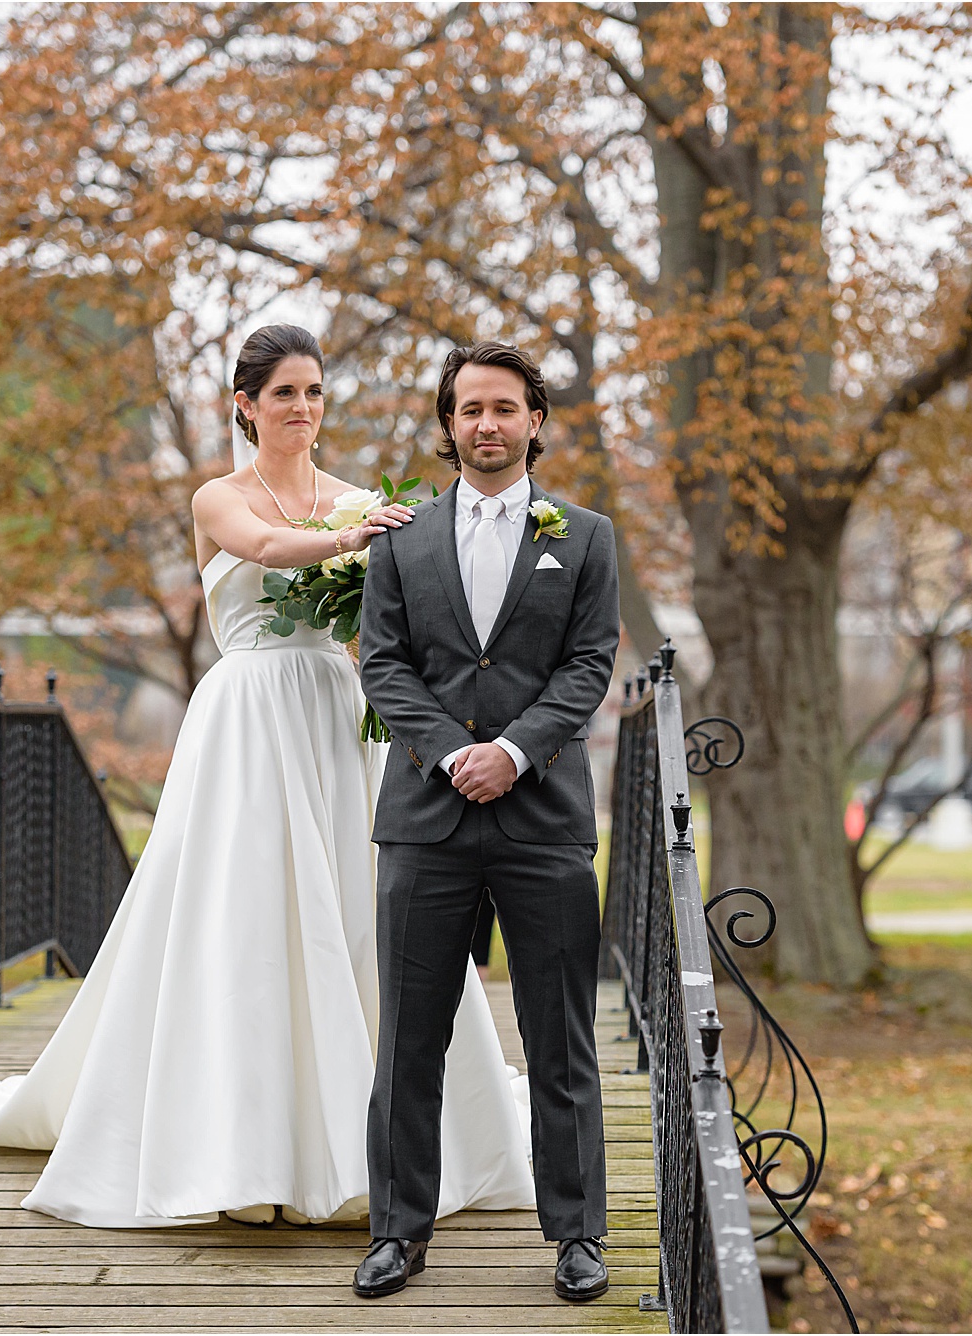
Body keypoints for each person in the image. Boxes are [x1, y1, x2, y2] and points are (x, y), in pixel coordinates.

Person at [0, 325, 536, 1229]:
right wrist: (354, 535)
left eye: (315, 392)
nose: (304, 409)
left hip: (337, 718)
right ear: (245, 405)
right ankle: (241, 1148)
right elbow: (264, 549)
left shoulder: (362, 498)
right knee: (247, 912)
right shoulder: (221, 497)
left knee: (360, 905)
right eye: (286, 393)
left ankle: (368, 1138)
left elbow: (371, 627)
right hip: (251, 715)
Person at [352, 340, 621, 1302]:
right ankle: (399, 1231)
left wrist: (512, 752)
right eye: (469, 410)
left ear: (535, 420)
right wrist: (448, 754)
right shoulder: (402, 539)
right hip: (425, 818)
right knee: (409, 1041)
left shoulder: (584, 538)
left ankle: (579, 1234)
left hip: (543, 817)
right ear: (447, 422)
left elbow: (589, 666)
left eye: (504, 408)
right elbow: (382, 663)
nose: (487, 425)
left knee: (561, 1037)